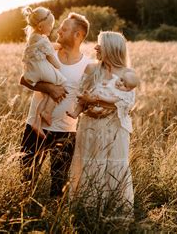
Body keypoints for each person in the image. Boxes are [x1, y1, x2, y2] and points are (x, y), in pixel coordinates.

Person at [19, 12, 94, 198]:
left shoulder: (88, 65)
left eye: (65, 28)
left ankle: (54, 221)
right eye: (59, 26)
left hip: (66, 131)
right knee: (26, 179)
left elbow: (88, 98)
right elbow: (24, 79)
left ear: (78, 35)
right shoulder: (47, 52)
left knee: (59, 186)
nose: (58, 30)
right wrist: (50, 88)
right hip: (36, 127)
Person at [68, 31, 138, 218]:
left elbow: (126, 104)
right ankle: (87, 213)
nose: (96, 47)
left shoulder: (128, 75)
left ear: (112, 48)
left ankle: (114, 213)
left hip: (115, 129)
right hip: (91, 127)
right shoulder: (91, 69)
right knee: (90, 166)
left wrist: (97, 100)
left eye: (100, 44)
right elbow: (81, 95)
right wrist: (89, 102)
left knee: (115, 166)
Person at [21, 6, 66, 132]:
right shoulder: (43, 40)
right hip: (40, 70)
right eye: (50, 25)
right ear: (41, 27)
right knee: (59, 82)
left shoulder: (33, 37)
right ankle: (47, 112)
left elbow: (49, 47)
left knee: (46, 94)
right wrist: (58, 66)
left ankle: (37, 121)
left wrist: (59, 46)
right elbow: (51, 56)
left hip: (32, 70)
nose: (52, 28)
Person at [66, 70, 138, 119]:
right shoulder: (114, 80)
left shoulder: (121, 94)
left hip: (101, 103)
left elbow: (113, 100)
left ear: (129, 90)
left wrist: (102, 98)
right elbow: (108, 82)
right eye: (121, 80)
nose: (120, 83)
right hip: (96, 96)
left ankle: (85, 98)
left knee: (92, 105)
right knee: (82, 102)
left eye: (124, 85)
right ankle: (75, 113)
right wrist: (104, 82)